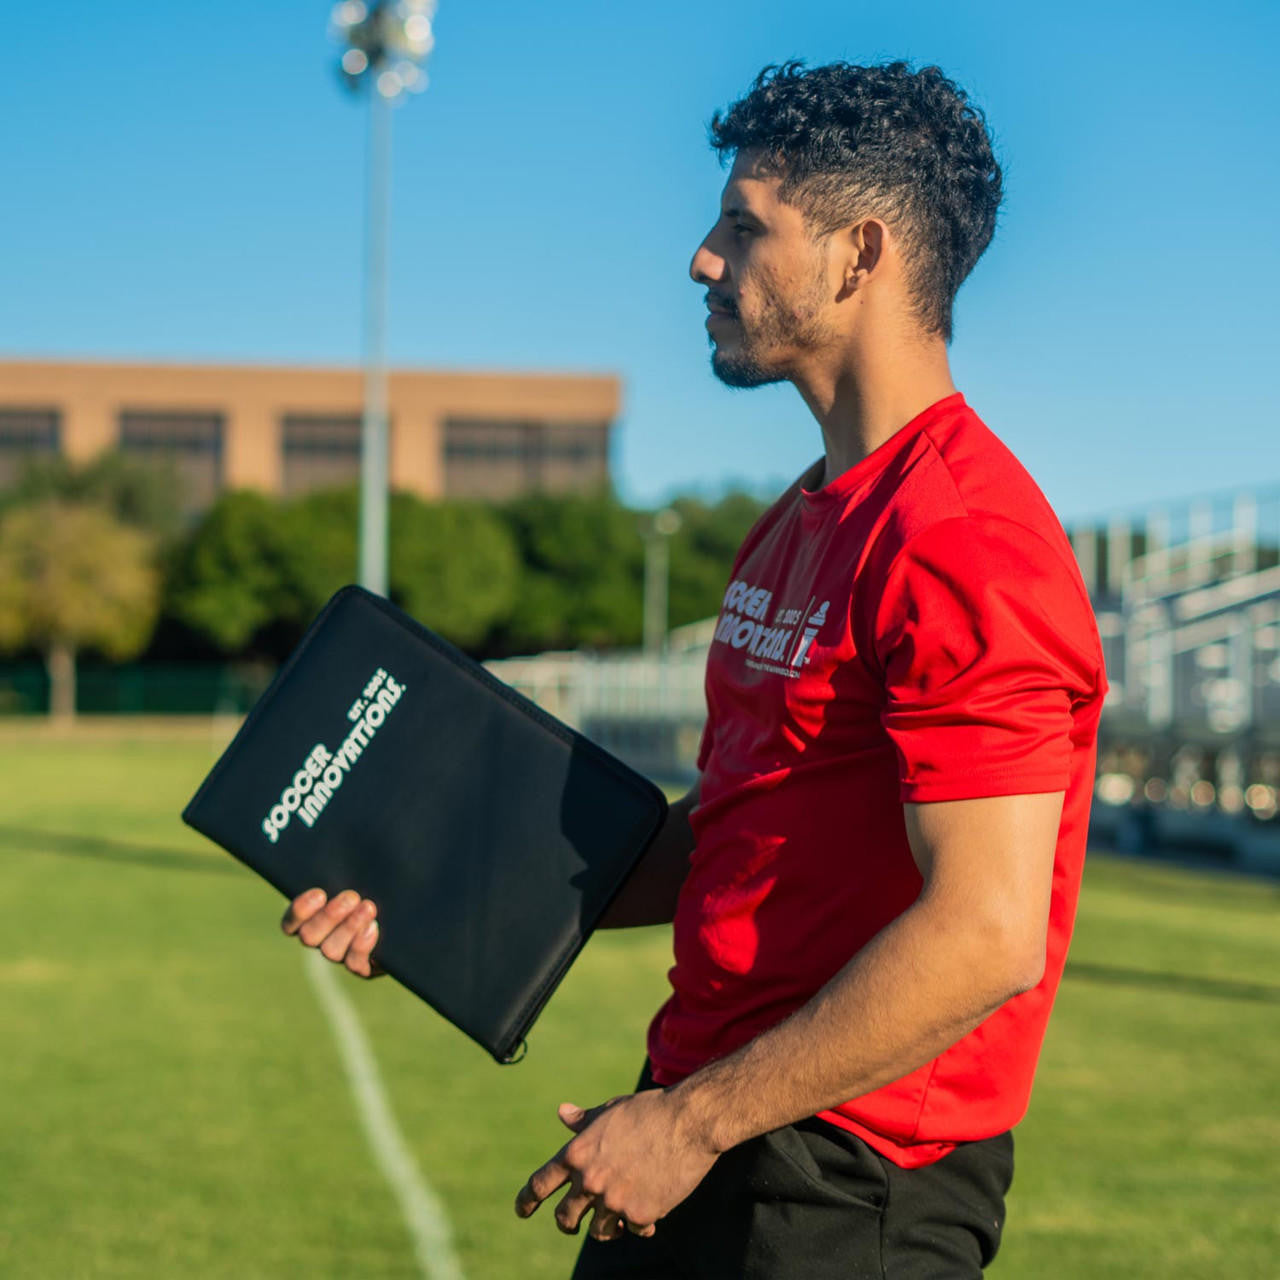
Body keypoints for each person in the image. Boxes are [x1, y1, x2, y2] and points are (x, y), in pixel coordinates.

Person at [282, 60, 1107, 1278]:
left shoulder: (964, 540)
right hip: (709, 1103)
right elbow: (727, 830)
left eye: (742, 226)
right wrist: (431, 889)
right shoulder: (801, 519)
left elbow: (984, 932)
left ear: (857, 252)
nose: (701, 260)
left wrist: (690, 1120)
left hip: (847, 1184)